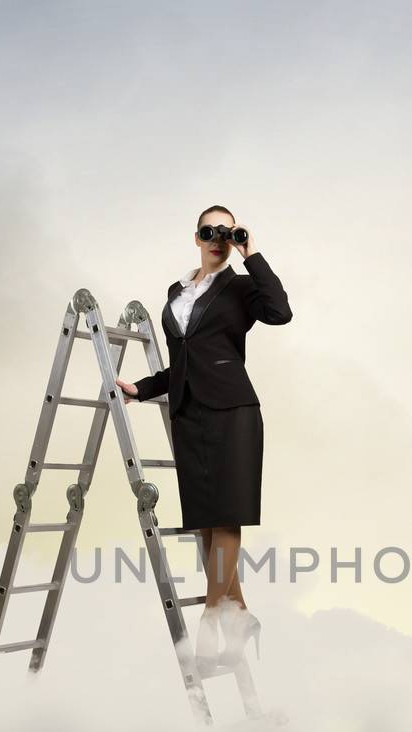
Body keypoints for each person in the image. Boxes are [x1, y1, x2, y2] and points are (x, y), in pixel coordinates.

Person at [116, 205, 292, 669]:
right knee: (205, 520)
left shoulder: (240, 288)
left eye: (226, 232)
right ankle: (241, 616)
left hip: (233, 410)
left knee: (226, 516)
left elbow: (280, 312)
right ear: (196, 236)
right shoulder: (177, 291)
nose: (217, 238)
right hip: (189, 413)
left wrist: (250, 252)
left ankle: (211, 622)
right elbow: (185, 360)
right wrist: (143, 388)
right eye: (209, 231)